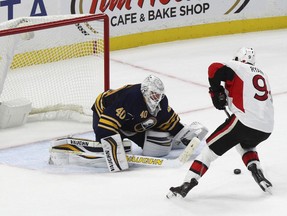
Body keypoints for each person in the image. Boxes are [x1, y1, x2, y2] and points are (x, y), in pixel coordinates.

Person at [167, 47, 274, 198]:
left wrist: (216, 91)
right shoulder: (263, 74)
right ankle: (258, 173)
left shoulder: (237, 66)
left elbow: (214, 68)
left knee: (208, 152)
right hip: (267, 128)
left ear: (238, 59)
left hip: (244, 122)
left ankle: (186, 185)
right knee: (245, 144)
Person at [92, 74, 208, 157]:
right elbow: (108, 122)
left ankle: (121, 137)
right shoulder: (129, 97)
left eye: (159, 95)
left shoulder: (161, 102)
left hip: (131, 122)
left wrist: (180, 133)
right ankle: (113, 140)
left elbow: (167, 120)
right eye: (153, 94)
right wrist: (107, 143)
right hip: (103, 109)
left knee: (155, 149)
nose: (156, 98)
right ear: (145, 91)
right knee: (110, 140)